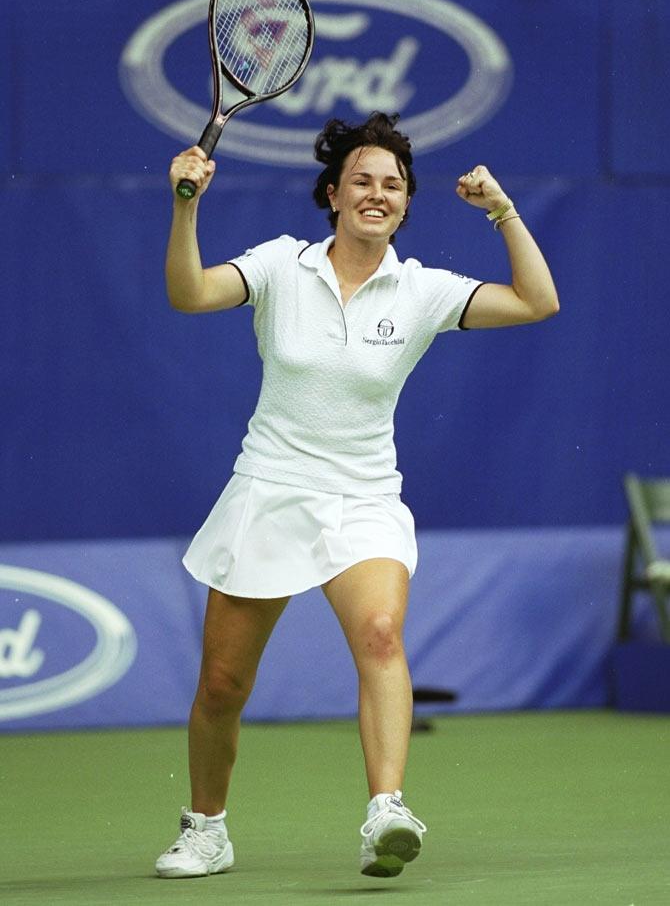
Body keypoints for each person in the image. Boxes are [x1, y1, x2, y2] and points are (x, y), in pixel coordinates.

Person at [155, 111, 559, 881]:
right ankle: (206, 826)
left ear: (406, 204)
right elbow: (190, 293)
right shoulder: (280, 265)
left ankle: (387, 809)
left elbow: (538, 302)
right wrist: (186, 205)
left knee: (380, 632)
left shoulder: (423, 291)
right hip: (269, 488)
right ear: (334, 193)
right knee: (220, 684)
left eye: (394, 185)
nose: (378, 194)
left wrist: (503, 212)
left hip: (365, 497)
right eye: (364, 181)